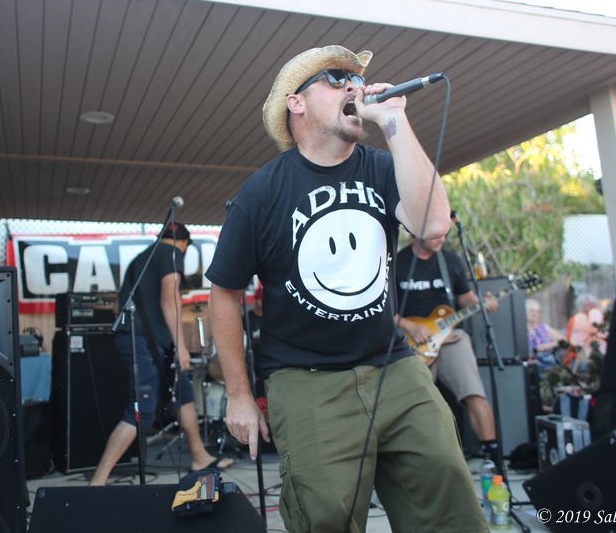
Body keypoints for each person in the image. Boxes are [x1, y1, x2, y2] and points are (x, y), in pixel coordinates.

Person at [206, 46, 486, 532]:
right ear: (296, 103)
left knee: (446, 487)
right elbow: (224, 293)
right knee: (325, 514)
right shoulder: (262, 192)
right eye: (337, 78)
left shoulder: (381, 168)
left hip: (393, 365)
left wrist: (395, 120)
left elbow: (433, 224)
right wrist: (239, 395)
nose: (354, 86)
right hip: (304, 378)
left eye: (357, 79)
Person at [89, 223, 232, 486]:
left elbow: (118, 306)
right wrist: (181, 346)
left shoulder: (142, 258)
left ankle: (199, 457)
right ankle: (98, 481)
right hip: (143, 342)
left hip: (144, 341)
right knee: (141, 409)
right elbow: (170, 298)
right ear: (183, 243)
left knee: (183, 395)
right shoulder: (170, 253)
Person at [394, 233, 502, 467]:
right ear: (416, 232)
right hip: (412, 343)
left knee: (475, 393)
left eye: (444, 234)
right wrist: (409, 326)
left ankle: (494, 458)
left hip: (450, 337)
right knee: (413, 402)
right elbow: (384, 310)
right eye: (435, 234)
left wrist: (481, 303)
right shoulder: (397, 262)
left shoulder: (451, 261)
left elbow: (464, 297)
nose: (441, 239)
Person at [525, 298, 564, 370]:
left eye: (537, 311)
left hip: (549, 364)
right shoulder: (521, 330)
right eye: (532, 311)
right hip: (531, 366)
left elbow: (562, 340)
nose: (535, 314)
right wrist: (539, 348)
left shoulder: (544, 328)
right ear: (525, 312)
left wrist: (546, 346)